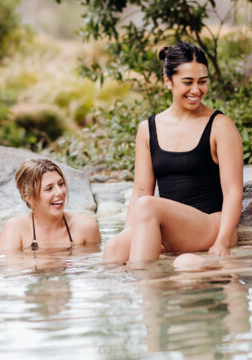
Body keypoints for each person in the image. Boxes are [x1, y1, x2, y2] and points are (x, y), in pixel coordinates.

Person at [103, 41, 244, 263]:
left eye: (202, 82)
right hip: (169, 226)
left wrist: (222, 242)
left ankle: (146, 289)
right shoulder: (147, 129)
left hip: (210, 225)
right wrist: (129, 234)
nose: (196, 90)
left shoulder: (220, 125)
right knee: (113, 248)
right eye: (187, 82)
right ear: (168, 81)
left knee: (148, 205)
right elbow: (140, 192)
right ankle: (140, 290)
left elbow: (234, 192)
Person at [0, 159, 101, 249]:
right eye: (49, 188)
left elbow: (92, 268)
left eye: (61, 184)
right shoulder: (16, 229)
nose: (60, 192)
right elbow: (11, 269)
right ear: (29, 198)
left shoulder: (86, 227)